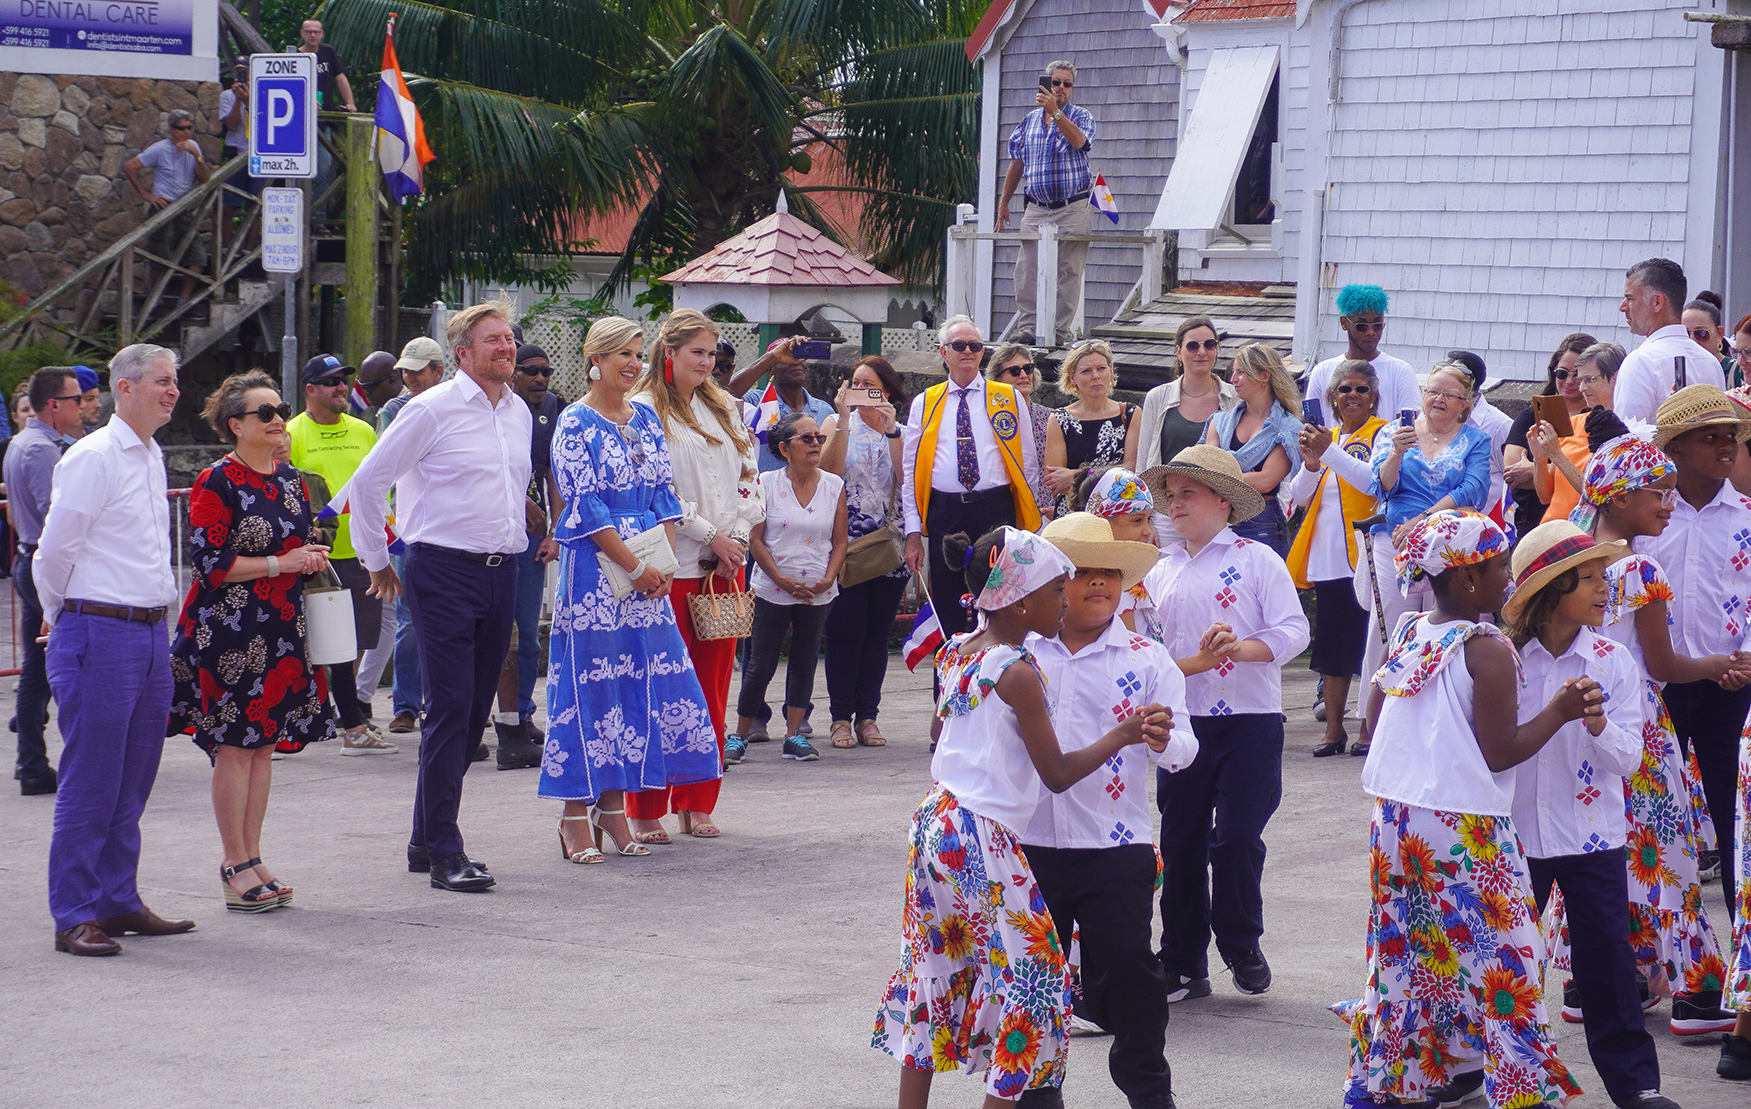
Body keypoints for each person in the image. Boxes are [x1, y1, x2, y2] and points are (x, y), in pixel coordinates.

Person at [870, 525, 1171, 1108]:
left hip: (936, 822)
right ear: (1022, 597)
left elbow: (941, 732)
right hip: (981, 834)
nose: (1067, 599)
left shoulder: (962, 652)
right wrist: (1122, 733)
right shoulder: (1019, 673)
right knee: (1033, 986)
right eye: (1059, 589)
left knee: (935, 970)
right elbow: (1056, 774)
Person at [1334, 509, 1587, 1109]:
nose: (1507, 579)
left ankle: (1391, 1081)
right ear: (1468, 580)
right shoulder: (1488, 648)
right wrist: (1561, 710)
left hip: (1395, 818)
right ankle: (1523, 1089)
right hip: (1463, 825)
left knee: (1410, 949)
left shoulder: (1411, 632)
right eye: (1500, 567)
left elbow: (1373, 719)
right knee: (1508, 957)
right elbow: (1502, 752)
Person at [342, 301, 533, 892]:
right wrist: (378, 561)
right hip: (442, 571)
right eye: (493, 341)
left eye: (509, 339)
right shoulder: (430, 410)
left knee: (473, 710)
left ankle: (425, 840)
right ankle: (447, 851)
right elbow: (369, 483)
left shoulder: (519, 411)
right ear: (463, 353)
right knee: (450, 708)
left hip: (502, 571)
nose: (506, 348)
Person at [1560, 433, 1741, 1042]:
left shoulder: (1566, 557)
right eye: (1656, 492)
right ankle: (1697, 992)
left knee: (1603, 846)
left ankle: (1598, 981)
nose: (1668, 502)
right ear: (1618, 496)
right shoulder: (1639, 566)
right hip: (1639, 725)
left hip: (1578, 724)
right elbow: (1661, 664)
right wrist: (1717, 665)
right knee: (1669, 856)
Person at [1497, 521, 1679, 1109]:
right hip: (1513, 838)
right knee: (1501, 963)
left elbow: (1629, 760)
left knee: (1607, 964)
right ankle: (1476, 1066)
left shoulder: (1614, 661)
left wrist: (1596, 722)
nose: (1607, 589)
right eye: (1593, 578)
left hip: (1592, 837)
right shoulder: (1504, 660)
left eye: (1607, 576)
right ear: (1553, 587)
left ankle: (1637, 1085)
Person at [1023, 512, 1194, 1109]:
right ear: (1053, 585)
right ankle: (1036, 1093)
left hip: (1113, 844)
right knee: (1031, 979)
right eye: (1084, 573)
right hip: (1028, 843)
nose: (1100, 584)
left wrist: (1161, 738)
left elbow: (1185, 749)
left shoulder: (1147, 659)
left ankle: (1150, 1091)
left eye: (1110, 574)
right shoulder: (1021, 654)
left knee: (1128, 971)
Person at [543, 316, 722, 864]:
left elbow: (664, 496)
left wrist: (661, 564)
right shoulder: (574, 422)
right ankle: (575, 813)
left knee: (638, 688)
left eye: (637, 353)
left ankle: (615, 809)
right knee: (588, 689)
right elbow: (584, 507)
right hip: (596, 574)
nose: (631, 362)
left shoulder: (645, 417)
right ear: (593, 358)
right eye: (620, 353)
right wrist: (633, 565)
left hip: (649, 575)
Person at [35, 343, 190, 956]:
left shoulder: (148, 455)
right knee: (92, 780)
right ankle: (74, 912)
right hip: (98, 630)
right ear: (124, 388)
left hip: (149, 632)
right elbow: (53, 553)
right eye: (161, 381)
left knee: (132, 779)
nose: (172, 390)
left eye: (174, 380)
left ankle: (117, 900)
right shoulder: (94, 457)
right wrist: (63, 621)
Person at [1139, 445, 1310, 1000]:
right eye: (1171, 493)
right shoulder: (1159, 572)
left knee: (1236, 837)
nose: (1175, 503)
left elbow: (1293, 630)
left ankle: (1240, 940)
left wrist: (1244, 648)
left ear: (1221, 501)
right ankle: (1184, 961)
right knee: (1181, 839)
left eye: (1187, 492)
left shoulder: (1259, 560)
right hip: (1184, 722)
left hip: (1250, 719)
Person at [169, 372, 333, 913]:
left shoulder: (288, 480)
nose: (278, 418)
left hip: (280, 624)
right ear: (236, 425)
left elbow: (296, 543)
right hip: (230, 630)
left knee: (264, 744)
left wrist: (309, 556)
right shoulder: (216, 481)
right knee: (236, 746)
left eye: (280, 408)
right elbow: (209, 564)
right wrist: (281, 562)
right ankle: (233, 861)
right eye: (265, 413)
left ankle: (252, 855)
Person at [628, 310, 762, 841]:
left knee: (711, 688)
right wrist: (711, 534)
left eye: (712, 354)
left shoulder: (726, 405)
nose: (707, 363)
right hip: (669, 567)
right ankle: (644, 806)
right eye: (697, 354)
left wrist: (740, 539)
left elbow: (751, 476)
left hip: (726, 570)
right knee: (658, 690)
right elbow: (653, 490)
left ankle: (698, 798)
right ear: (670, 353)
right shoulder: (642, 412)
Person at [1636, 386, 1751, 940]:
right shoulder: (1645, 516)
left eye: (1732, 436)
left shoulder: (1747, 518)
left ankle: (1739, 959)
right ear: (1675, 449)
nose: (1727, 446)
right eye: (1711, 436)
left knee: (1735, 822)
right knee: (1652, 821)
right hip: (1655, 689)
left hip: (1731, 686)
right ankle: (1652, 954)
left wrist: (1743, 660)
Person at [1360, 360, 1492, 753]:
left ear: (1465, 404)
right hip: (1394, 542)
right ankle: (1376, 719)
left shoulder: (1476, 439)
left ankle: (1442, 713)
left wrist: (1423, 520)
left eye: (1449, 394)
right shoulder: (1392, 432)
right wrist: (1396, 454)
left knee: (1445, 625)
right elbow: (1379, 486)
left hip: (1450, 545)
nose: (1438, 399)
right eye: (1432, 391)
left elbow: (1475, 489)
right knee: (1387, 630)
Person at [901, 315, 1042, 642]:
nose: (968, 351)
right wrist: (912, 533)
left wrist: (1024, 522)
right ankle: (949, 685)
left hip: (994, 509)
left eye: (975, 346)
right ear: (943, 352)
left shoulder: (1007, 397)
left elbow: (1028, 465)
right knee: (949, 606)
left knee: (1000, 600)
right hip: (945, 513)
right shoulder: (925, 403)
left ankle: (997, 677)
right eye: (959, 345)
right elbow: (910, 473)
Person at [286, 353, 396, 755]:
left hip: (362, 553)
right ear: (310, 390)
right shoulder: (292, 433)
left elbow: (378, 487)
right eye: (331, 382)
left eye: (343, 381)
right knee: (315, 641)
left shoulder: (364, 430)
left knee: (355, 642)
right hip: (317, 559)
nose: (341, 388)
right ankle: (323, 715)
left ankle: (341, 712)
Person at [1287, 359, 1387, 757]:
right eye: (1344, 389)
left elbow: (1371, 481)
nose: (1353, 396)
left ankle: (1369, 729)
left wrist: (1328, 452)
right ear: (1332, 397)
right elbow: (1298, 495)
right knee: (1330, 646)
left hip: (1366, 554)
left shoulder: (1384, 434)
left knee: (1369, 642)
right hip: (1327, 555)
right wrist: (1312, 464)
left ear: (1374, 397)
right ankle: (1332, 731)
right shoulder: (1323, 438)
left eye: (1361, 389)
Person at [735, 412, 847, 762]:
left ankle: (794, 734)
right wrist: (779, 578)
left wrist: (828, 578)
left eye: (819, 438)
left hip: (818, 588)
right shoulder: (766, 483)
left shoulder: (833, 486)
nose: (816, 443)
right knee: (761, 662)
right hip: (772, 586)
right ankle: (739, 734)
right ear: (784, 448)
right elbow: (755, 539)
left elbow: (840, 541)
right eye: (807, 439)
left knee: (805, 659)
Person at [820, 355, 909, 749]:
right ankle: (840, 717)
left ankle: (868, 716)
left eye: (868, 384)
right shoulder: (836, 424)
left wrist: (891, 431)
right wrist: (842, 417)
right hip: (848, 544)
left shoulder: (902, 431)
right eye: (854, 382)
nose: (859, 389)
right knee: (844, 631)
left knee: (877, 634)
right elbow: (828, 472)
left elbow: (908, 480)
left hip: (890, 545)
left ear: (885, 390)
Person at [5, 367, 86, 795]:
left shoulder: (30, 443)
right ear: (53, 405)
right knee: (71, 664)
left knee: (38, 670)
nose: (83, 405)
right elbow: (56, 515)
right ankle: (49, 762)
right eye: (75, 398)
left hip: (31, 561)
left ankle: (32, 763)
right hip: (45, 566)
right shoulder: (39, 450)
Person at [488, 342, 564, 768]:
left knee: (529, 635)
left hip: (533, 538)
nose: (540, 379)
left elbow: (553, 469)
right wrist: (519, 503)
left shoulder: (552, 408)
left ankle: (521, 717)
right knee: (498, 638)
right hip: (489, 537)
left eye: (546, 371)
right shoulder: (491, 409)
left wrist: (555, 530)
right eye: (531, 371)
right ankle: (498, 724)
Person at [996, 61, 1096, 346]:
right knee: (1027, 270)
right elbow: (1017, 162)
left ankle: (1058, 333)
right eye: (1055, 82)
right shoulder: (1029, 121)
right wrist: (1004, 203)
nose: (1060, 88)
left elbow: (1080, 142)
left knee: (1068, 271)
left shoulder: (1082, 116)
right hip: (1036, 206)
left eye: (1067, 84)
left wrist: (1056, 112)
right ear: (1045, 83)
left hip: (1073, 206)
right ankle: (1028, 329)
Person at [379, 335, 445, 736]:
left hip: (452, 529)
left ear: (438, 370)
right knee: (407, 621)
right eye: (405, 370)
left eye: (418, 370)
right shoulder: (396, 408)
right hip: (409, 529)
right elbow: (402, 458)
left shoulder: (461, 405)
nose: (409, 377)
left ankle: (447, 702)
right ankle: (405, 705)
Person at [1136, 316, 1240, 547]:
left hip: (1216, 512)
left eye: (1209, 345)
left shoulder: (1235, 398)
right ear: (1178, 351)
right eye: (1193, 345)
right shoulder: (1157, 397)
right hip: (1167, 513)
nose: (1201, 352)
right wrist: (1144, 520)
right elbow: (1143, 463)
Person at [1202, 342, 1301, 556]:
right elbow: (1207, 463)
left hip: (1262, 521)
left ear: (1265, 376)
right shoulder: (1219, 422)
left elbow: (1266, 481)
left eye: (1241, 372)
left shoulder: (1288, 429)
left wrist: (1216, 478)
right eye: (1233, 372)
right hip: (1216, 518)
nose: (1232, 379)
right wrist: (1213, 476)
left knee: (1263, 588)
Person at [1505, 333, 1596, 543]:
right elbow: (1513, 475)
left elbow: (1597, 479)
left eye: (1578, 375)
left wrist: (1537, 469)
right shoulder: (1530, 416)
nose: (1570, 381)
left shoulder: (1598, 421)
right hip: (1531, 527)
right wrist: (1563, 471)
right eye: (1562, 373)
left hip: (1579, 530)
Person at [1614, 258, 1726, 424]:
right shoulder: (1711, 362)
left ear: (1657, 302)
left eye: (1630, 299)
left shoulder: (1641, 362)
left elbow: (1627, 442)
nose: (1623, 307)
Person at [1301, 285, 1422, 430]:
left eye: (1377, 325)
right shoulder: (1321, 371)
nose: (1371, 332)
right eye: (1361, 325)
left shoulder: (1401, 371)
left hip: (1385, 452)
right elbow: (1312, 427)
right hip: (1331, 450)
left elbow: (1409, 430)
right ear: (1344, 323)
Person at [122, 111, 211, 303]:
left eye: (189, 128)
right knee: (160, 258)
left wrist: (197, 156)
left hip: (184, 208)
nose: (186, 132)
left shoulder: (193, 147)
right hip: (163, 206)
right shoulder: (159, 149)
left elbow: (205, 178)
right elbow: (130, 166)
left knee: (198, 257)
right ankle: (157, 300)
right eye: (181, 128)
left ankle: (183, 300)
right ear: (172, 130)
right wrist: (146, 194)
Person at [1044, 339, 1138, 517]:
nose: (1095, 376)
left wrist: (1076, 476)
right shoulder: (1059, 419)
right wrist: (1110, 475)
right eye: (1086, 371)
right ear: (1073, 377)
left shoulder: (1130, 414)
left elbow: (1131, 471)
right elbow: (1055, 483)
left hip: (1117, 513)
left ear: (1110, 371)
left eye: (1101, 368)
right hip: (1073, 516)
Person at [739, 338, 835, 474]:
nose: (796, 363)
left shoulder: (824, 410)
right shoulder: (756, 401)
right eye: (786, 359)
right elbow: (726, 394)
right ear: (770, 369)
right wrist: (770, 358)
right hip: (763, 491)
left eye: (801, 358)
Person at [986, 342, 1054, 521]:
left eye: (1028, 368)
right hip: (1002, 511)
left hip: (1043, 512)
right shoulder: (988, 421)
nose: (1023, 375)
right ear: (998, 379)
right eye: (1014, 371)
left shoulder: (1051, 419)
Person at [1444, 350, 1514, 524]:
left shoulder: (1499, 425)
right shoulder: (1431, 416)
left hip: (1484, 525)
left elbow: (1512, 479)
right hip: (1435, 522)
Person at [299, 20, 357, 111]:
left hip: (327, 110)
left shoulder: (327, 51)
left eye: (316, 32)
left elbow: (341, 78)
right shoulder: (295, 57)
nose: (313, 35)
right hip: (304, 110)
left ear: (322, 33)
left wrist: (350, 103)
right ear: (302, 33)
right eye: (309, 32)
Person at [1685, 293, 1732, 380]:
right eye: (1685, 333)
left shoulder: (1738, 371)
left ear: (1720, 333)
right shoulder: (1676, 369)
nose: (1691, 340)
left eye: (1702, 333)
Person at [1575, 342, 1627, 414]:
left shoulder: (1634, 421)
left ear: (1615, 378)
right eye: (1580, 380)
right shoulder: (1577, 422)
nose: (1581, 389)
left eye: (1589, 379)